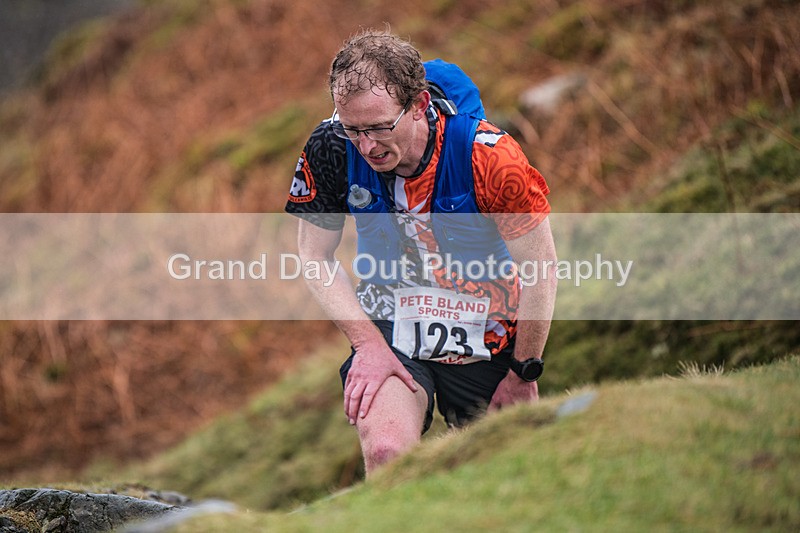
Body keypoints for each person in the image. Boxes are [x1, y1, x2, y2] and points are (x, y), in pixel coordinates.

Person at [285, 30, 557, 476]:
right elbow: (313, 256)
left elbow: (540, 269)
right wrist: (368, 345)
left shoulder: (491, 159)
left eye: (379, 127)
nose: (367, 146)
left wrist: (523, 372)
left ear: (418, 105)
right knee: (386, 452)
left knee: (507, 474)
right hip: (393, 329)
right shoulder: (331, 147)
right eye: (353, 128)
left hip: (488, 338)